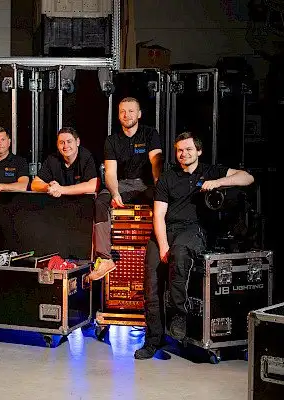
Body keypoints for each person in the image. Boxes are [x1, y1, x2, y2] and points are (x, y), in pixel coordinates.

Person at [134, 132, 254, 360]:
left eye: (188, 149)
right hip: (165, 230)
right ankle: (153, 340)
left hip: (193, 229)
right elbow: (158, 215)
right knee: (151, 286)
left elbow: (247, 178)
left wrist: (217, 183)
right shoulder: (168, 178)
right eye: (179, 150)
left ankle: (178, 315)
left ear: (199, 151)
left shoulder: (210, 171)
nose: (183, 154)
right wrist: (162, 246)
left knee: (179, 254)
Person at [93, 97, 163, 280]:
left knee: (163, 201)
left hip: (145, 184)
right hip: (122, 184)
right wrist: (115, 193)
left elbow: (156, 162)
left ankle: (164, 249)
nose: (127, 115)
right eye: (123, 111)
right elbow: (110, 173)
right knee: (100, 201)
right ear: (118, 115)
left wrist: (160, 186)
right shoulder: (112, 140)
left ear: (139, 114)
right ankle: (105, 258)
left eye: (131, 111)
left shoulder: (150, 134)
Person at [31, 127, 113, 280]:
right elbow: (34, 184)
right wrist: (48, 187)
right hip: (64, 213)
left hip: (87, 211)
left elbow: (93, 185)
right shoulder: (53, 159)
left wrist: (61, 189)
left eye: (69, 141)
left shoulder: (87, 157)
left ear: (77, 142)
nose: (65, 146)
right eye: (61, 142)